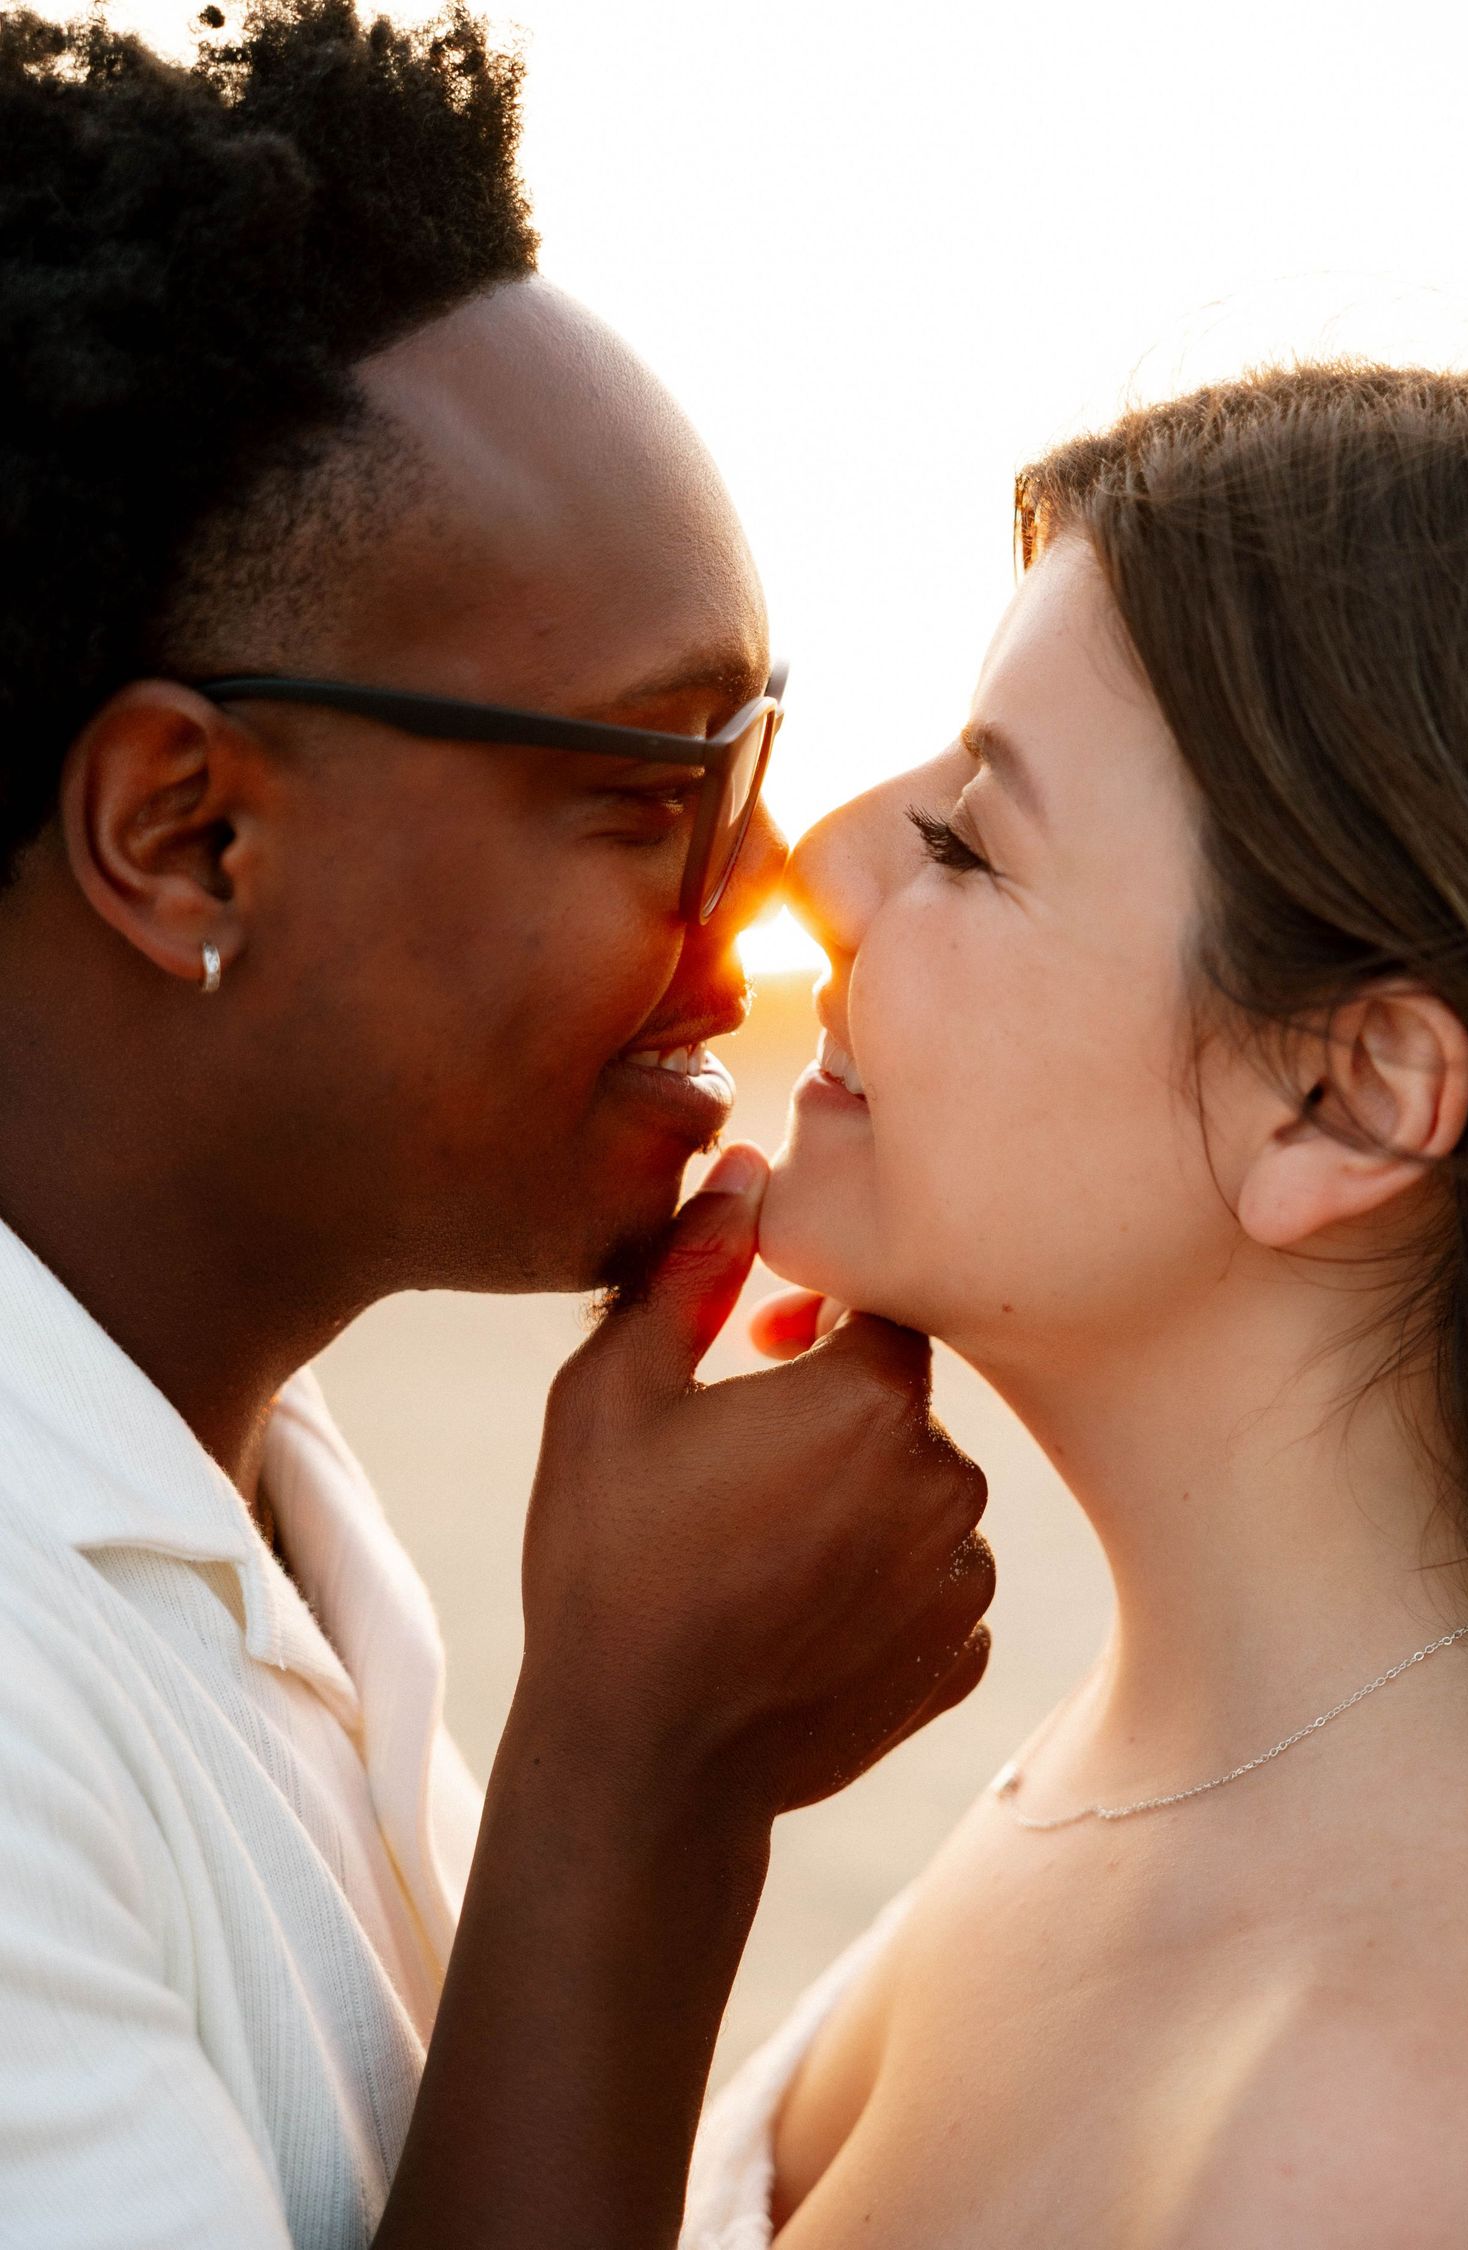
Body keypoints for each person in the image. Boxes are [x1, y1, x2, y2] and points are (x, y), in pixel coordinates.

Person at [0, 6, 997, 2245]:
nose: (762, 898)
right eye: (657, 793)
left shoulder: (236, 1465)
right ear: (190, 837)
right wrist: (644, 1785)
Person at [684, 363, 1468, 2248]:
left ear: (1347, 1093)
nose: (823, 860)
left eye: (970, 841)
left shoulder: (1387, 2143)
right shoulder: (1148, 1744)